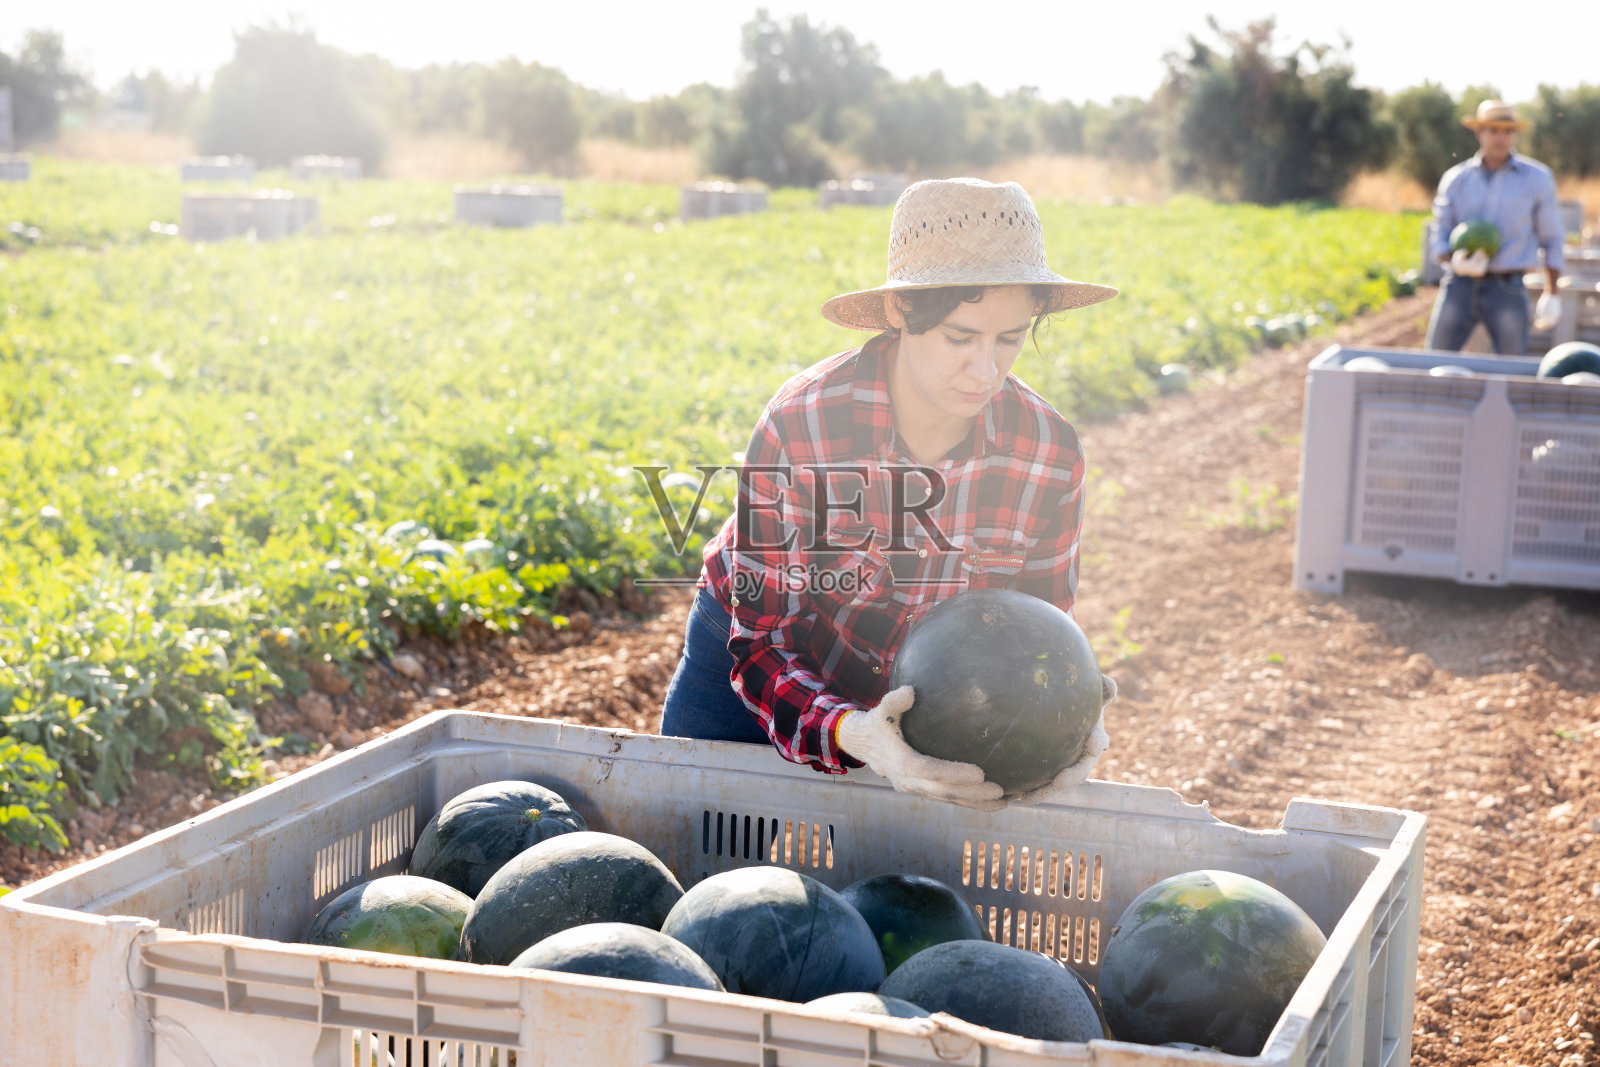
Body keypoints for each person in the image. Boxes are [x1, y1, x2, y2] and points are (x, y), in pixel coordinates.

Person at [659, 177, 1119, 810]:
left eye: (1009, 339)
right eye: (961, 338)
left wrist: (1073, 713)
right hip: (761, 652)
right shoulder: (805, 426)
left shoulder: (1048, 452)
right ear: (903, 314)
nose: (986, 370)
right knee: (703, 842)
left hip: (921, 683)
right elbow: (764, 642)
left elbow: (1037, 631)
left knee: (877, 887)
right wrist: (858, 736)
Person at [1424, 99, 1566, 355]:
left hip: (1508, 288)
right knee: (1433, 360)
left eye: (1507, 131)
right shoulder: (1456, 179)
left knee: (1511, 370)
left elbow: (1552, 238)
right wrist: (1453, 259)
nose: (1500, 138)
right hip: (1458, 285)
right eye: (1493, 130)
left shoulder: (1537, 179)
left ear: (1515, 135)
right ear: (1479, 133)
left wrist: (1552, 292)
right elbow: (1440, 233)